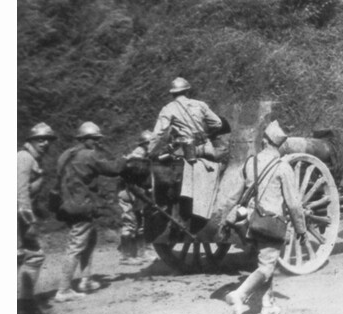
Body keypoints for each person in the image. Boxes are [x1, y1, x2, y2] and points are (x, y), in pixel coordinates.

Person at [225, 121, 307, 314]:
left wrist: (228, 217)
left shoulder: (250, 163)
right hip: (271, 223)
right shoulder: (282, 167)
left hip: (250, 223)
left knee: (264, 261)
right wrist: (301, 229)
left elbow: (237, 193)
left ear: (264, 142)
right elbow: (294, 204)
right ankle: (239, 295)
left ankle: (266, 305)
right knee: (267, 266)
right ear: (278, 146)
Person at [54, 122, 127, 302]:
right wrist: (126, 158)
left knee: (90, 239)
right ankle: (63, 290)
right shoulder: (89, 155)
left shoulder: (66, 155)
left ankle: (85, 280)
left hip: (67, 205)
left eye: (97, 139)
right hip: (82, 206)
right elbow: (113, 169)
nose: (96, 142)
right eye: (93, 139)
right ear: (84, 139)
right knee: (76, 245)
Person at [17, 122, 58, 314]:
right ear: (30, 140)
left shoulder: (34, 159)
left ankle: (24, 303)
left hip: (21, 216)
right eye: (39, 139)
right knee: (20, 257)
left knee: (33, 257)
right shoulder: (24, 158)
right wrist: (29, 221)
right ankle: (23, 305)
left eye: (47, 140)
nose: (44, 143)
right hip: (17, 217)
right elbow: (20, 192)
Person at [149, 77, 224, 162]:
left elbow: (158, 133)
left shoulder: (168, 109)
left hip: (183, 152)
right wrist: (206, 134)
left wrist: (150, 152)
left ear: (172, 93)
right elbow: (217, 123)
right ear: (187, 91)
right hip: (206, 149)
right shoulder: (200, 104)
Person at [117, 130, 155, 266]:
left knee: (141, 224)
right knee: (130, 223)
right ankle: (125, 256)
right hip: (128, 193)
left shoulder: (145, 156)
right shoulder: (136, 157)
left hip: (138, 193)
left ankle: (141, 253)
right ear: (146, 144)